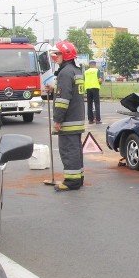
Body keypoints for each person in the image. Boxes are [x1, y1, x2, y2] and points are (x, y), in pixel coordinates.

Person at [46, 41, 85, 191]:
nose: (55, 57)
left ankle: (71, 182)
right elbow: (71, 91)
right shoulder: (76, 70)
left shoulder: (65, 72)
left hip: (68, 120)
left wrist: (58, 119)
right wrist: (55, 88)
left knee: (68, 150)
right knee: (75, 149)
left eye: (58, 54)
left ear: (66, 54)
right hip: (76, 118)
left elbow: (63, 100)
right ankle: (78, 178)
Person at [84, 60, 103, 124]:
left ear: (89, 65)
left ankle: (90, 120)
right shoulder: (97, 70)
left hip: (88, 89)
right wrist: (100, 83)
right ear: (95, 65)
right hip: (95, 88)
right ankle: (97, 119)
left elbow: (83, 80)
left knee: (89, 104)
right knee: (97, 104)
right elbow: (100, 80)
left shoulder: (85, 72)